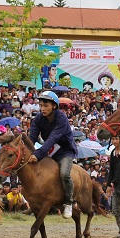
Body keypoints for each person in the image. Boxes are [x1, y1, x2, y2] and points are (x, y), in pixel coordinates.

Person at [27, 90, 78, 218]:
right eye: (41, 106)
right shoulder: (38, 119)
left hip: (65, 151)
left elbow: (52, 139)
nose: (42, 109)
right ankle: (34, 203)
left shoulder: (62, 119)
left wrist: (37, 155)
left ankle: (69, 202)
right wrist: (26, 150)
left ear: (54, 106)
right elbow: (31, 138)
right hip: (49, 150)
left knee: (64, 174)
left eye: (46, 106)